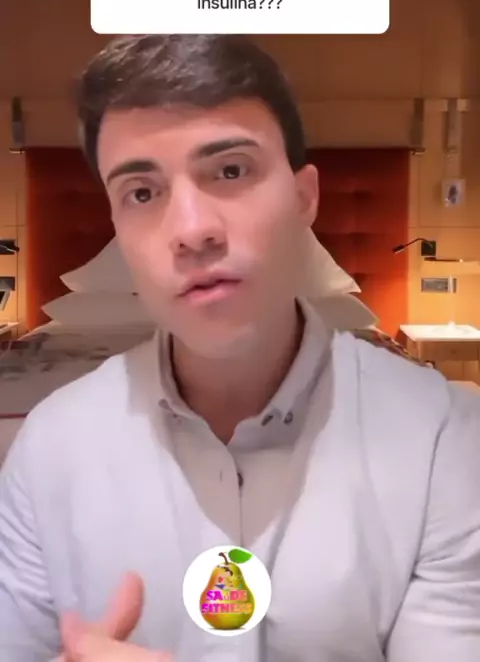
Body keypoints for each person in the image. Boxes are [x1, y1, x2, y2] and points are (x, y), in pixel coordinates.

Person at [1, 34, 480, 662]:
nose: (192, 230)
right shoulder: (47, 448)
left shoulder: (445, 437)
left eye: (230, 171)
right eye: (142, 192)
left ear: (304, 199)